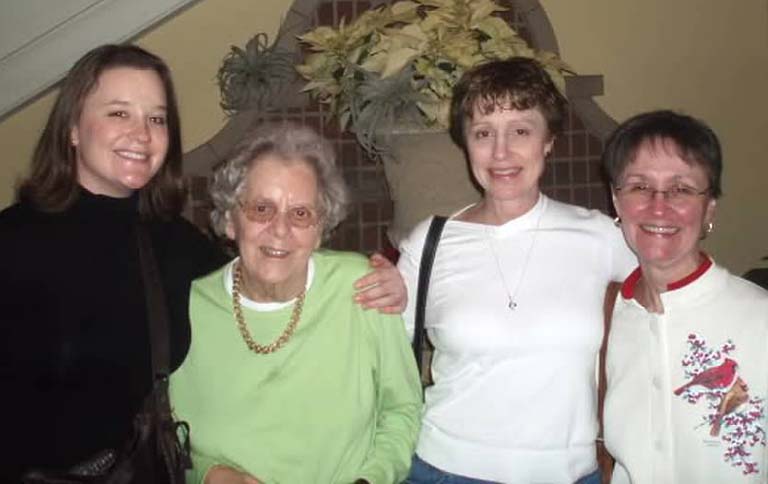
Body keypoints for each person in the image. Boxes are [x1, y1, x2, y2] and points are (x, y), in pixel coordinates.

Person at [0, 44, 405, 483]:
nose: (142, 133)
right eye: (119, 113)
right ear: (73, 128)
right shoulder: (13, 242)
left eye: (156, 118)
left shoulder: (173, 243)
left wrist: (380, 279)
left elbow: (267, 253)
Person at [397, 57, 636, 483]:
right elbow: (381, 362)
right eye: (483, 133)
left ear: (549, 141)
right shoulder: (428, 244)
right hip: (445, 470)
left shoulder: (600, 237)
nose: (501, 152)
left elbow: (678, 297)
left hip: (567, 474)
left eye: (521, 131)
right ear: (465, 144)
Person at [168, 123, 422, 484]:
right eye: (261, 208)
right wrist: (210, 475)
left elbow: (402, 409)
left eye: (300, 213)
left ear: (321, 229)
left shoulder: (362, 287)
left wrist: (371, 480)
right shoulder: (188, 307)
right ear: (229, 219)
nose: (281, 229)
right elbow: (171, 433)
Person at [601, 110, 768, 483]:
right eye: (640, 187)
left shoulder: (760, 319)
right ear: (617, 201)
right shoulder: (607, 319)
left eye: (681, 189)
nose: (658, 207)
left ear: (709, 208)